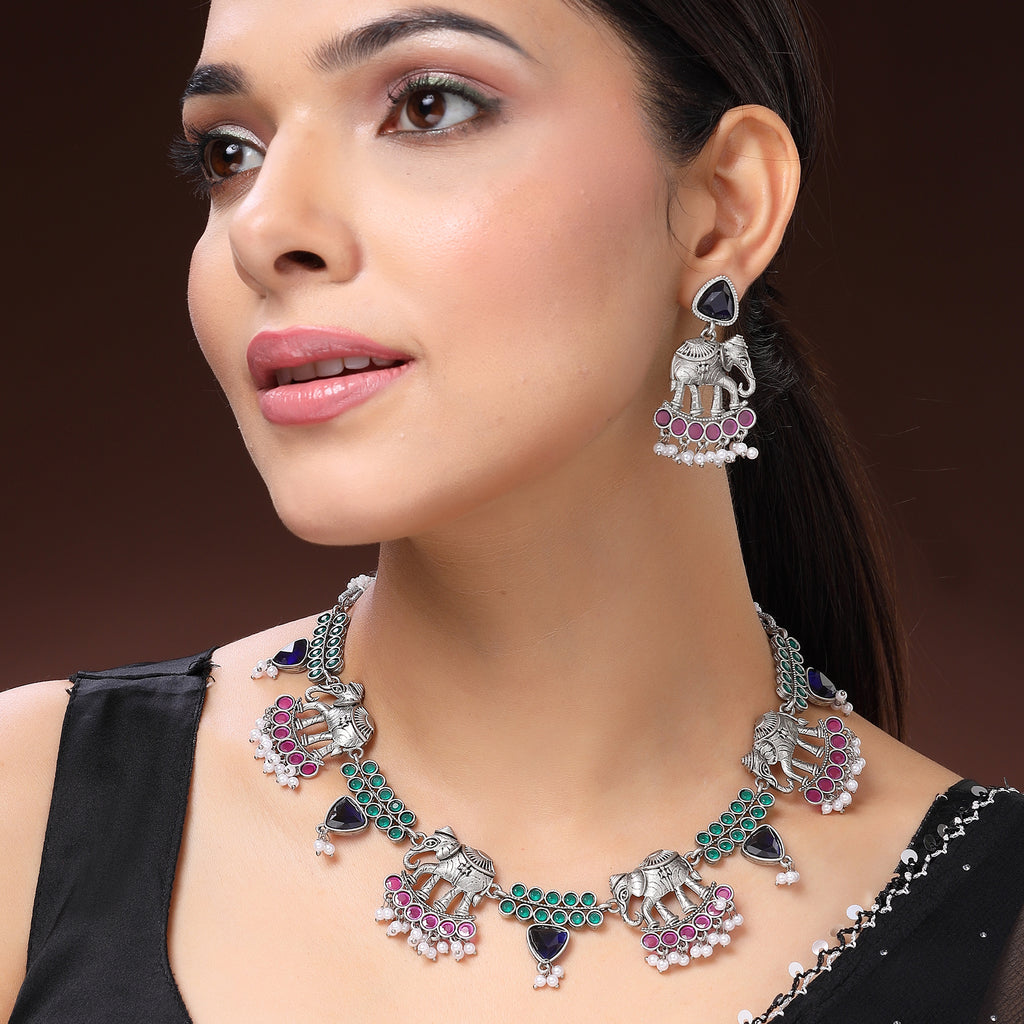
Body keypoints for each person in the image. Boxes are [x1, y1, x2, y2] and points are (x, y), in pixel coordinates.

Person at [2, 1, 1021, 1022]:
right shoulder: (27, 809)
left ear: (724, 206)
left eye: (428, 106)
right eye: (229, 153)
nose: (263, 229)